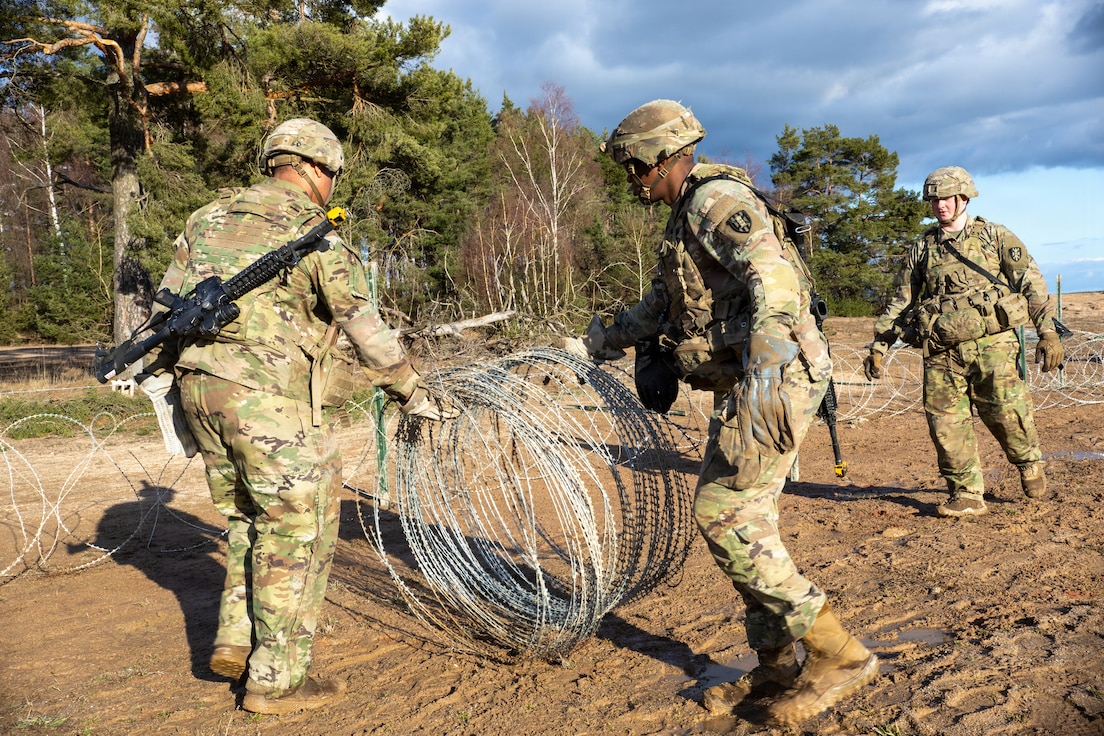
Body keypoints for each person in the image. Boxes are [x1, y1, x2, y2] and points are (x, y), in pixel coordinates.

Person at [562, 100, 877, 726]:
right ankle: (776, 664)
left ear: (659, 157)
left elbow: (775, 279)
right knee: (739, 513)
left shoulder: (714, 202)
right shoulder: (684, 220)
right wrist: (595, 343)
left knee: (725, 513)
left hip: (773, 377)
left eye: (633, 165)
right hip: (750, 381)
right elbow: (659, 308)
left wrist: (764, 372)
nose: (631, 179)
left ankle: (839, 655)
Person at [137, 118, 452, 715]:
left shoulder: (206, 219)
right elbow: (362, 325)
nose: (332, 186)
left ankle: (237, 639)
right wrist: (411, 388)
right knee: (296, 533)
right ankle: (275, 680)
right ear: (311, 168)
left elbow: (165, 306)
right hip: (270, 403)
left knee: (243, 519)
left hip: (201, 393)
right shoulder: (315, 233)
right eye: (332, 174)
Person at [862, 166, 1063, 518]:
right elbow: (901, 300)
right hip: (941, 350)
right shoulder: (922, 248)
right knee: (945, 423)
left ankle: (1028, 462)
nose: (940, 205)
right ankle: (966, 493)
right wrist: (880, 345)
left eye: (946, 198)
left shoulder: (995, 237)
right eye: (934, 199)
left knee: (1006, 413)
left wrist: (1047, 332)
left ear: (964, 198)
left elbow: (1032, 284)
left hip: (993, 346)